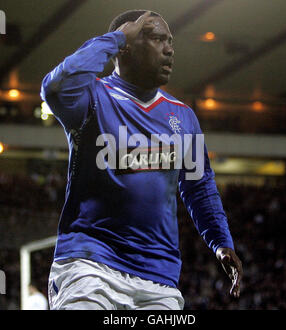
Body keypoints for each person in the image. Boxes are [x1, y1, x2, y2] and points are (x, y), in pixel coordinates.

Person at [41, 9, 242, 310]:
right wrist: (117, 37)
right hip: (90, 266)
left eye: (170, 41)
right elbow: (55, 88)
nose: (169, 49)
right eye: (157, 39)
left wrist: (221, 242)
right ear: (126, 47)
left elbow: (199, 187)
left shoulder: (183, 116)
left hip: (158, 278)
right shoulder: (93, 98)